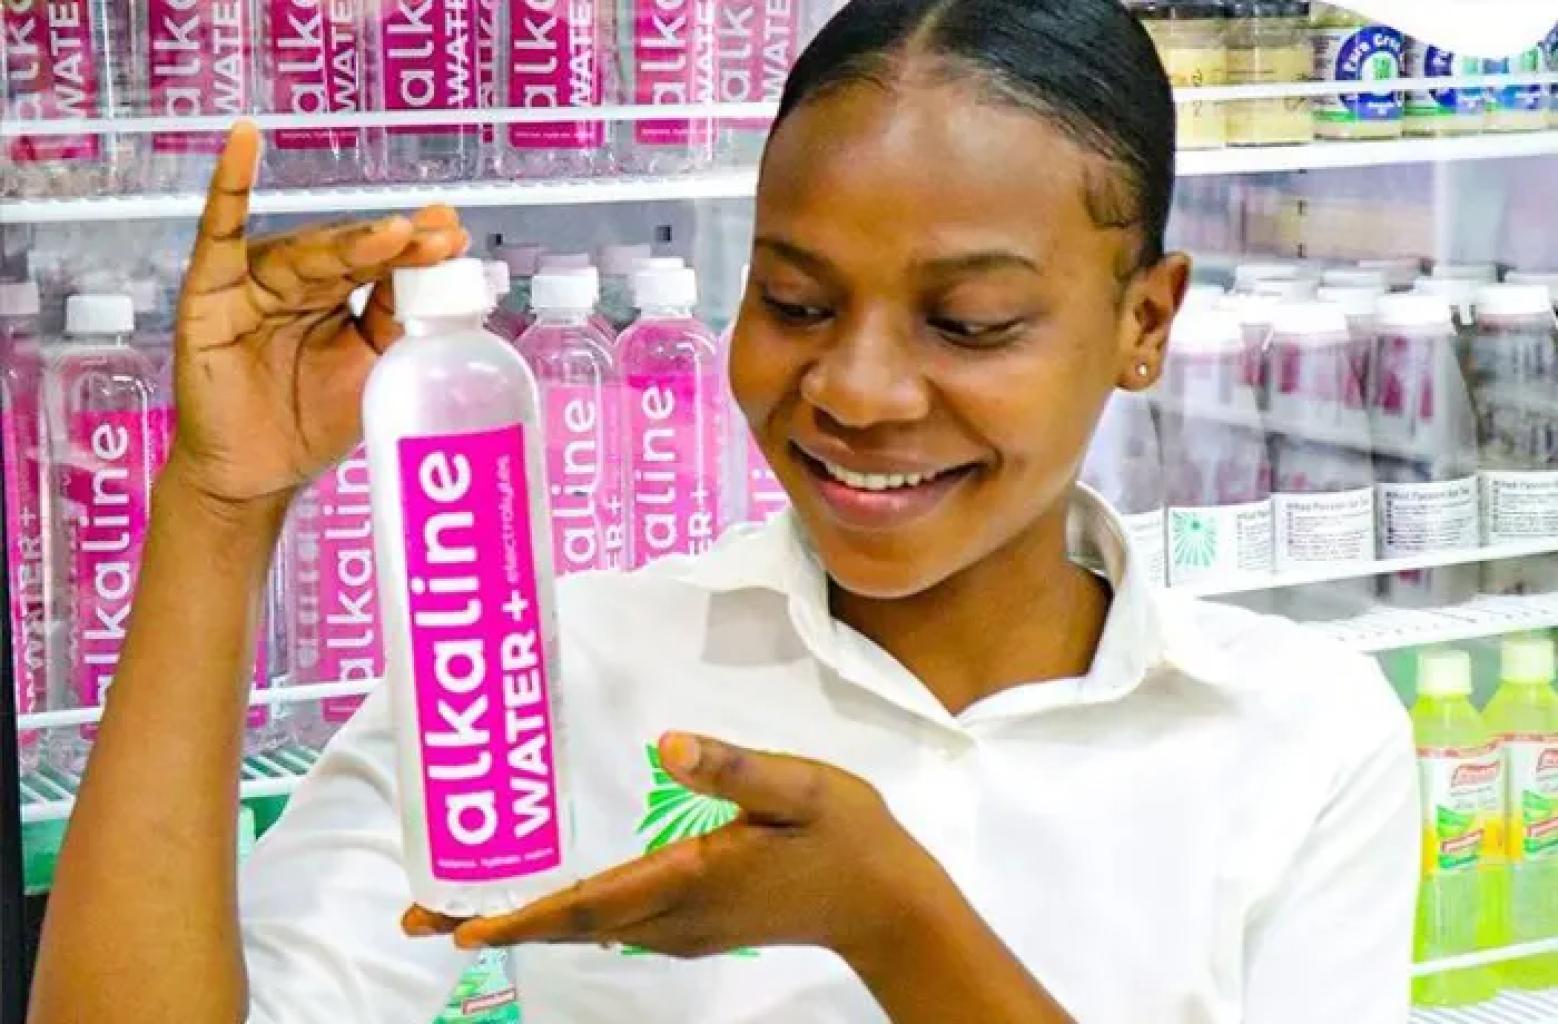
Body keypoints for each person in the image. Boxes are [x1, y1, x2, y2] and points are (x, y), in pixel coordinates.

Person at [27, 0, 1417, 1021]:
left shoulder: (1297, 736)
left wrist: (893, 924)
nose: (857, 389)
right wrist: (219, 505)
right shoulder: (552, 673)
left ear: (1144, 322)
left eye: (971, 323)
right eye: (795, 302)